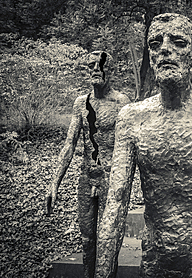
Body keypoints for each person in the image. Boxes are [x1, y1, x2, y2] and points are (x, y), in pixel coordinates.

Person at [95, 13, 192, 278]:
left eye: (177, 42)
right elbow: (115, 207)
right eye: (156, 44)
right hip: (153, 264)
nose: (165, 49)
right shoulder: (132, 118)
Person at [45, 50, 131, 278]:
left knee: (107, 240)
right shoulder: (80, 103)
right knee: (87, 239)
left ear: (110, 70)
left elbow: (130, 146)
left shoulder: (121, 103)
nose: (95, 69)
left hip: (111, 179)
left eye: (100, 65)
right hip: (86, 178)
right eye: (91, 65)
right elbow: (69, 144)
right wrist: (55, 182)